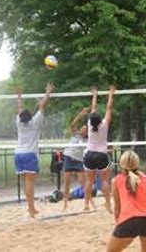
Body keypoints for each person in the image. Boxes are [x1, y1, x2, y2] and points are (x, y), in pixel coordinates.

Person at [15, 83, 53, 218]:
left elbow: (20, 109)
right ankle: (31, 208)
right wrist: (48, 92)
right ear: (31, 116)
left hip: (18, 154)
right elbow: (42, 106)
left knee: (26, 182)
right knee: (29, 182)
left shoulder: (19, 123)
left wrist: (19, 96)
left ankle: (30, 208)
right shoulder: (35, 122)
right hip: (29, 154)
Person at [108, 150, 146, 252]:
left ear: (121, 163)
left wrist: (118, 224)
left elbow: (118, 207)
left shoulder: (116, 180)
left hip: (129, 219)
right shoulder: (145, 179)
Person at [83, 85, 115, 212]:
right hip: (101, 154)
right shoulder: (104, 124)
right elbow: (109, 107)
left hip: (90, 154)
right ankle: (107, 203)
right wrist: (111, 93)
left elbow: (94, 107)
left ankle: (86, 204)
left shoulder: (90, 124)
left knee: (89, 181)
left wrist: (94, 94)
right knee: (105, 180)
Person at [62, 107, 90, 210]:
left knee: (83, 182)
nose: (83, 129)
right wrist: (81, 114)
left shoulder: (88, 140)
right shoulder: (75, 135)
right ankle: (65, 203)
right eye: (82, 128)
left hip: (78, 161)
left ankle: (88, 202)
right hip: (69, 158)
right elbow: (73, 124)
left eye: (85, 129)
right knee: (66, 181)